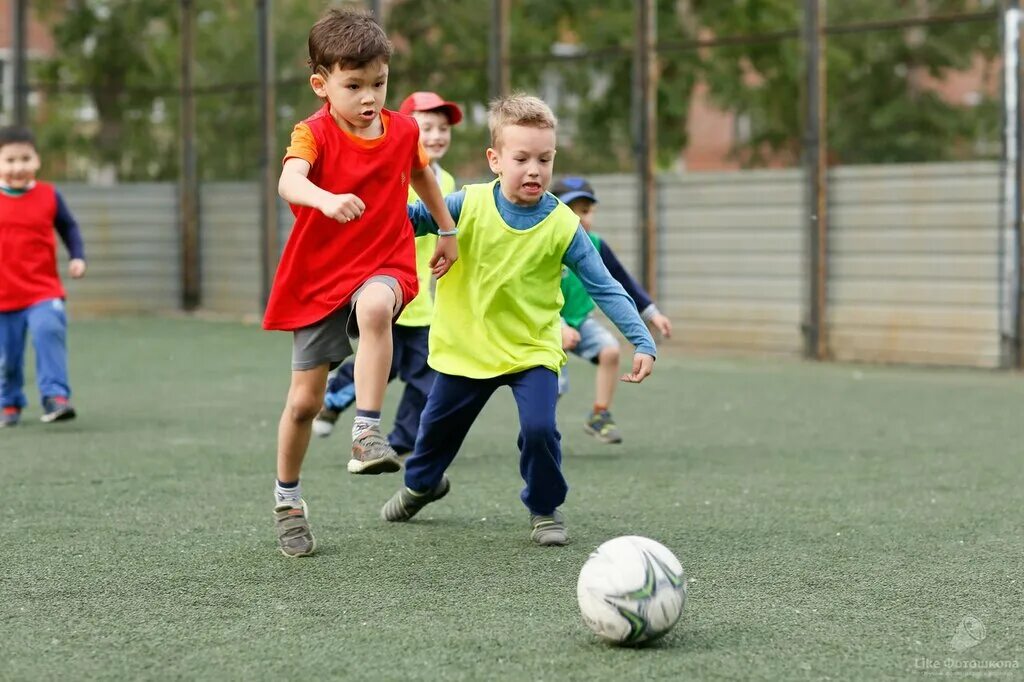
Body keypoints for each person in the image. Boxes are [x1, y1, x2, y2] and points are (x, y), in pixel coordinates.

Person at [379, 94, 657, 547]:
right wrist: (363, 205)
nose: (534, 169)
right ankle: (421, 485)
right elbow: (410, 218)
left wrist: (640, 339)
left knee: (540, 428)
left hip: (531, 350)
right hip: (466, 348)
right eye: (522, 158)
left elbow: (605, 285)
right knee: (433, 436)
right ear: (495, 159)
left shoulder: (564, 224)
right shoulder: (465, 205)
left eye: (544, 159)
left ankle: (544, 509)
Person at [263, 8, 458, 557]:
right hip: (318, 274)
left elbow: (420, 172)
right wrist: (325, 199)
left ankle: (367, 431)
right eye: (354, 85)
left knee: (377, 308)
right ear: (321, 84)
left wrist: (447, 228)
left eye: (379, 82)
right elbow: (289, 180)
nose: (369, 96)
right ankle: (288, 499)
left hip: (382, 259)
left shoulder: (402, 130)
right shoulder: (313, 133)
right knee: (304, 403)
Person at [312, 90, 463, 454]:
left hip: (423, 303)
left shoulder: (447, 183)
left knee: (427, 378)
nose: (437, 136)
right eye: (427, 127)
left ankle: (400, 440)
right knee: (383, 367)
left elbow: (449, 228)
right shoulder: (392, 170)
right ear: (409, 131)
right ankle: (332, 399)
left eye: (444, 128)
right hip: (386, 291)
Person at [552, 176, 673, 444]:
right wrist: (558, 326)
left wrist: (652, 314)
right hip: (546, 323)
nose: (579, 218)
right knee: (555, 385)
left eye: (584, 211)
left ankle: (600, 415)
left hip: (581, 320)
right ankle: (539, 427)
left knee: (610, 350)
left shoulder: (594, 244)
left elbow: (621, 281)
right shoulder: (545, 242)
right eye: (570, 211)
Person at [0, 126, 86, 428]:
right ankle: (9, 402)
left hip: (42, 291)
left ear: (37, 160)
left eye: (26, 158)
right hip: (4, 298)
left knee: (48, 330)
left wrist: (77, 257)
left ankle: (55, 397)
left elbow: (69, 228)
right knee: (7, 359)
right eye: (10, 160)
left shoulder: (49, 196)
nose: (18, 167)